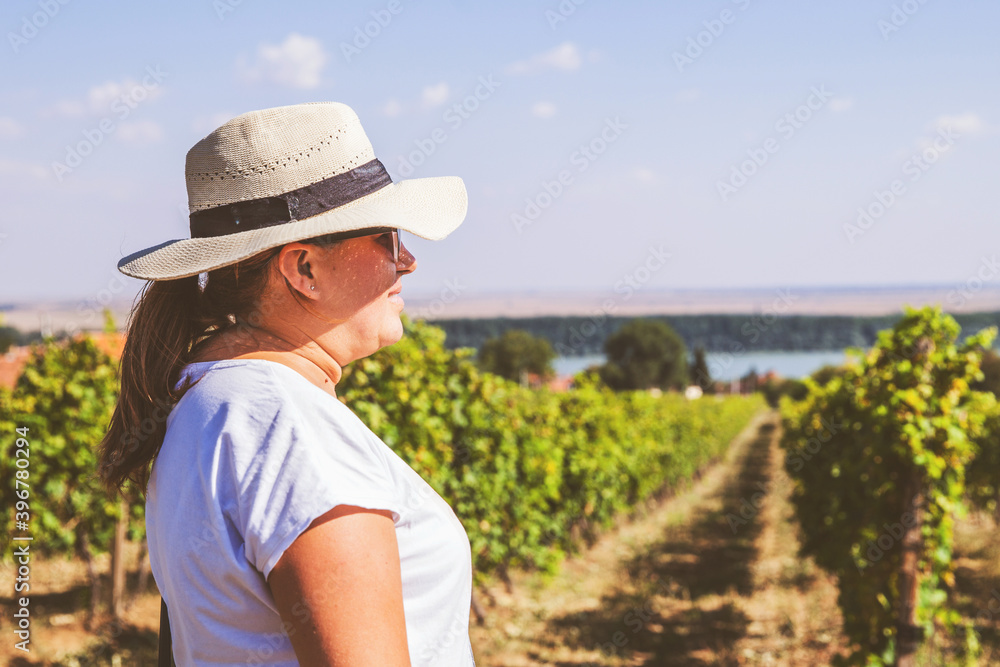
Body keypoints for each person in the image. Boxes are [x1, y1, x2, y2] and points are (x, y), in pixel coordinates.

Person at [97, 101, 476, 666]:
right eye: (386, 239)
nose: (409, 261)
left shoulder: (207, 401)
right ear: (304, 269)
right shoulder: (286, 425)